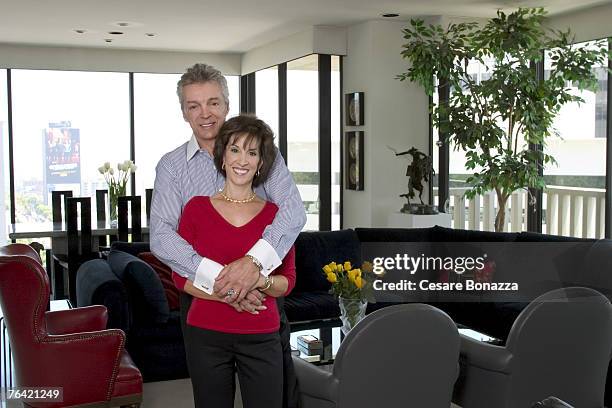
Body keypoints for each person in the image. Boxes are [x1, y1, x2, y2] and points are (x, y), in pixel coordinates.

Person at [150, 63, 305, 408]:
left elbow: (293, 212)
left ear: (227, 103)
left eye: (213, 102)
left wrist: (253, 265)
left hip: (261, 301)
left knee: (281, 395)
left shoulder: (263, 155)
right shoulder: (172, 167)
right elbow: (161, 236)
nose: (205, 114)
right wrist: (224, 283)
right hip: (201, 300)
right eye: (194, 106)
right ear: (184, 112)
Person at [173, 114, 295, 408]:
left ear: (261, 163)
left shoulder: (277, 216)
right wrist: (231, 295)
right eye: (235, 149)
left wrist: (258, 279)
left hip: (262, 334)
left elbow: (287, 281)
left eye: (252, 152)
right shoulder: (195, 209)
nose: (243, 160)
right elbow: (180, 277)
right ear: (223, 157)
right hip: (206, 335)